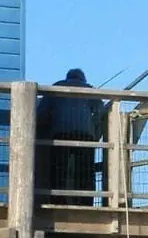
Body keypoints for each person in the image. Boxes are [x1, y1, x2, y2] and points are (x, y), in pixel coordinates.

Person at [34, 69, 107, 204]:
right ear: (83, 79)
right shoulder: (90, 90)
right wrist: (95, 134)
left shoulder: (56, 88)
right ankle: (86, 202)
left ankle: (58, 199)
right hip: (86, 135)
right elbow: (101, 112)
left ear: (67, 77)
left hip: (61, 133)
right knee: (85, 171)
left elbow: (41, 113)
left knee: (59, 169)